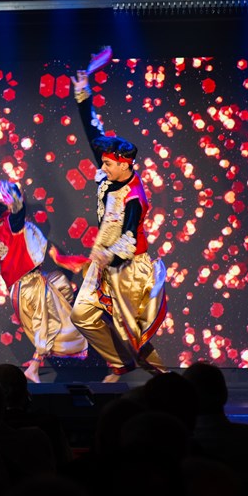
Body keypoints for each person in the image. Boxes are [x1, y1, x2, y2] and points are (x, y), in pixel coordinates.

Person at [69, 63, 168, 382]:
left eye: (109, 165)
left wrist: (107, 257)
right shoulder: (109, 173)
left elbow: (128, 238)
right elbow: (94, 134)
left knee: (132, 335)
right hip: (103, 262)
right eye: (104, 163)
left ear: (125, 166)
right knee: (81, 315)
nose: (103, 168)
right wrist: (83, 96)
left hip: (127, 268)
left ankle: (165, 380)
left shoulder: (134, 197)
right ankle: (119, 364)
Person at [0, 179, 88, 382]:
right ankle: (34, 366)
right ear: (4, 215)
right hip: (28, 284)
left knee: (60, 285)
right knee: (47, 322)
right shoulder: (11, 226)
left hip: (23, 286)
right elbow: (18, 213)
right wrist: (14, 195)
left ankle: (40, 361)